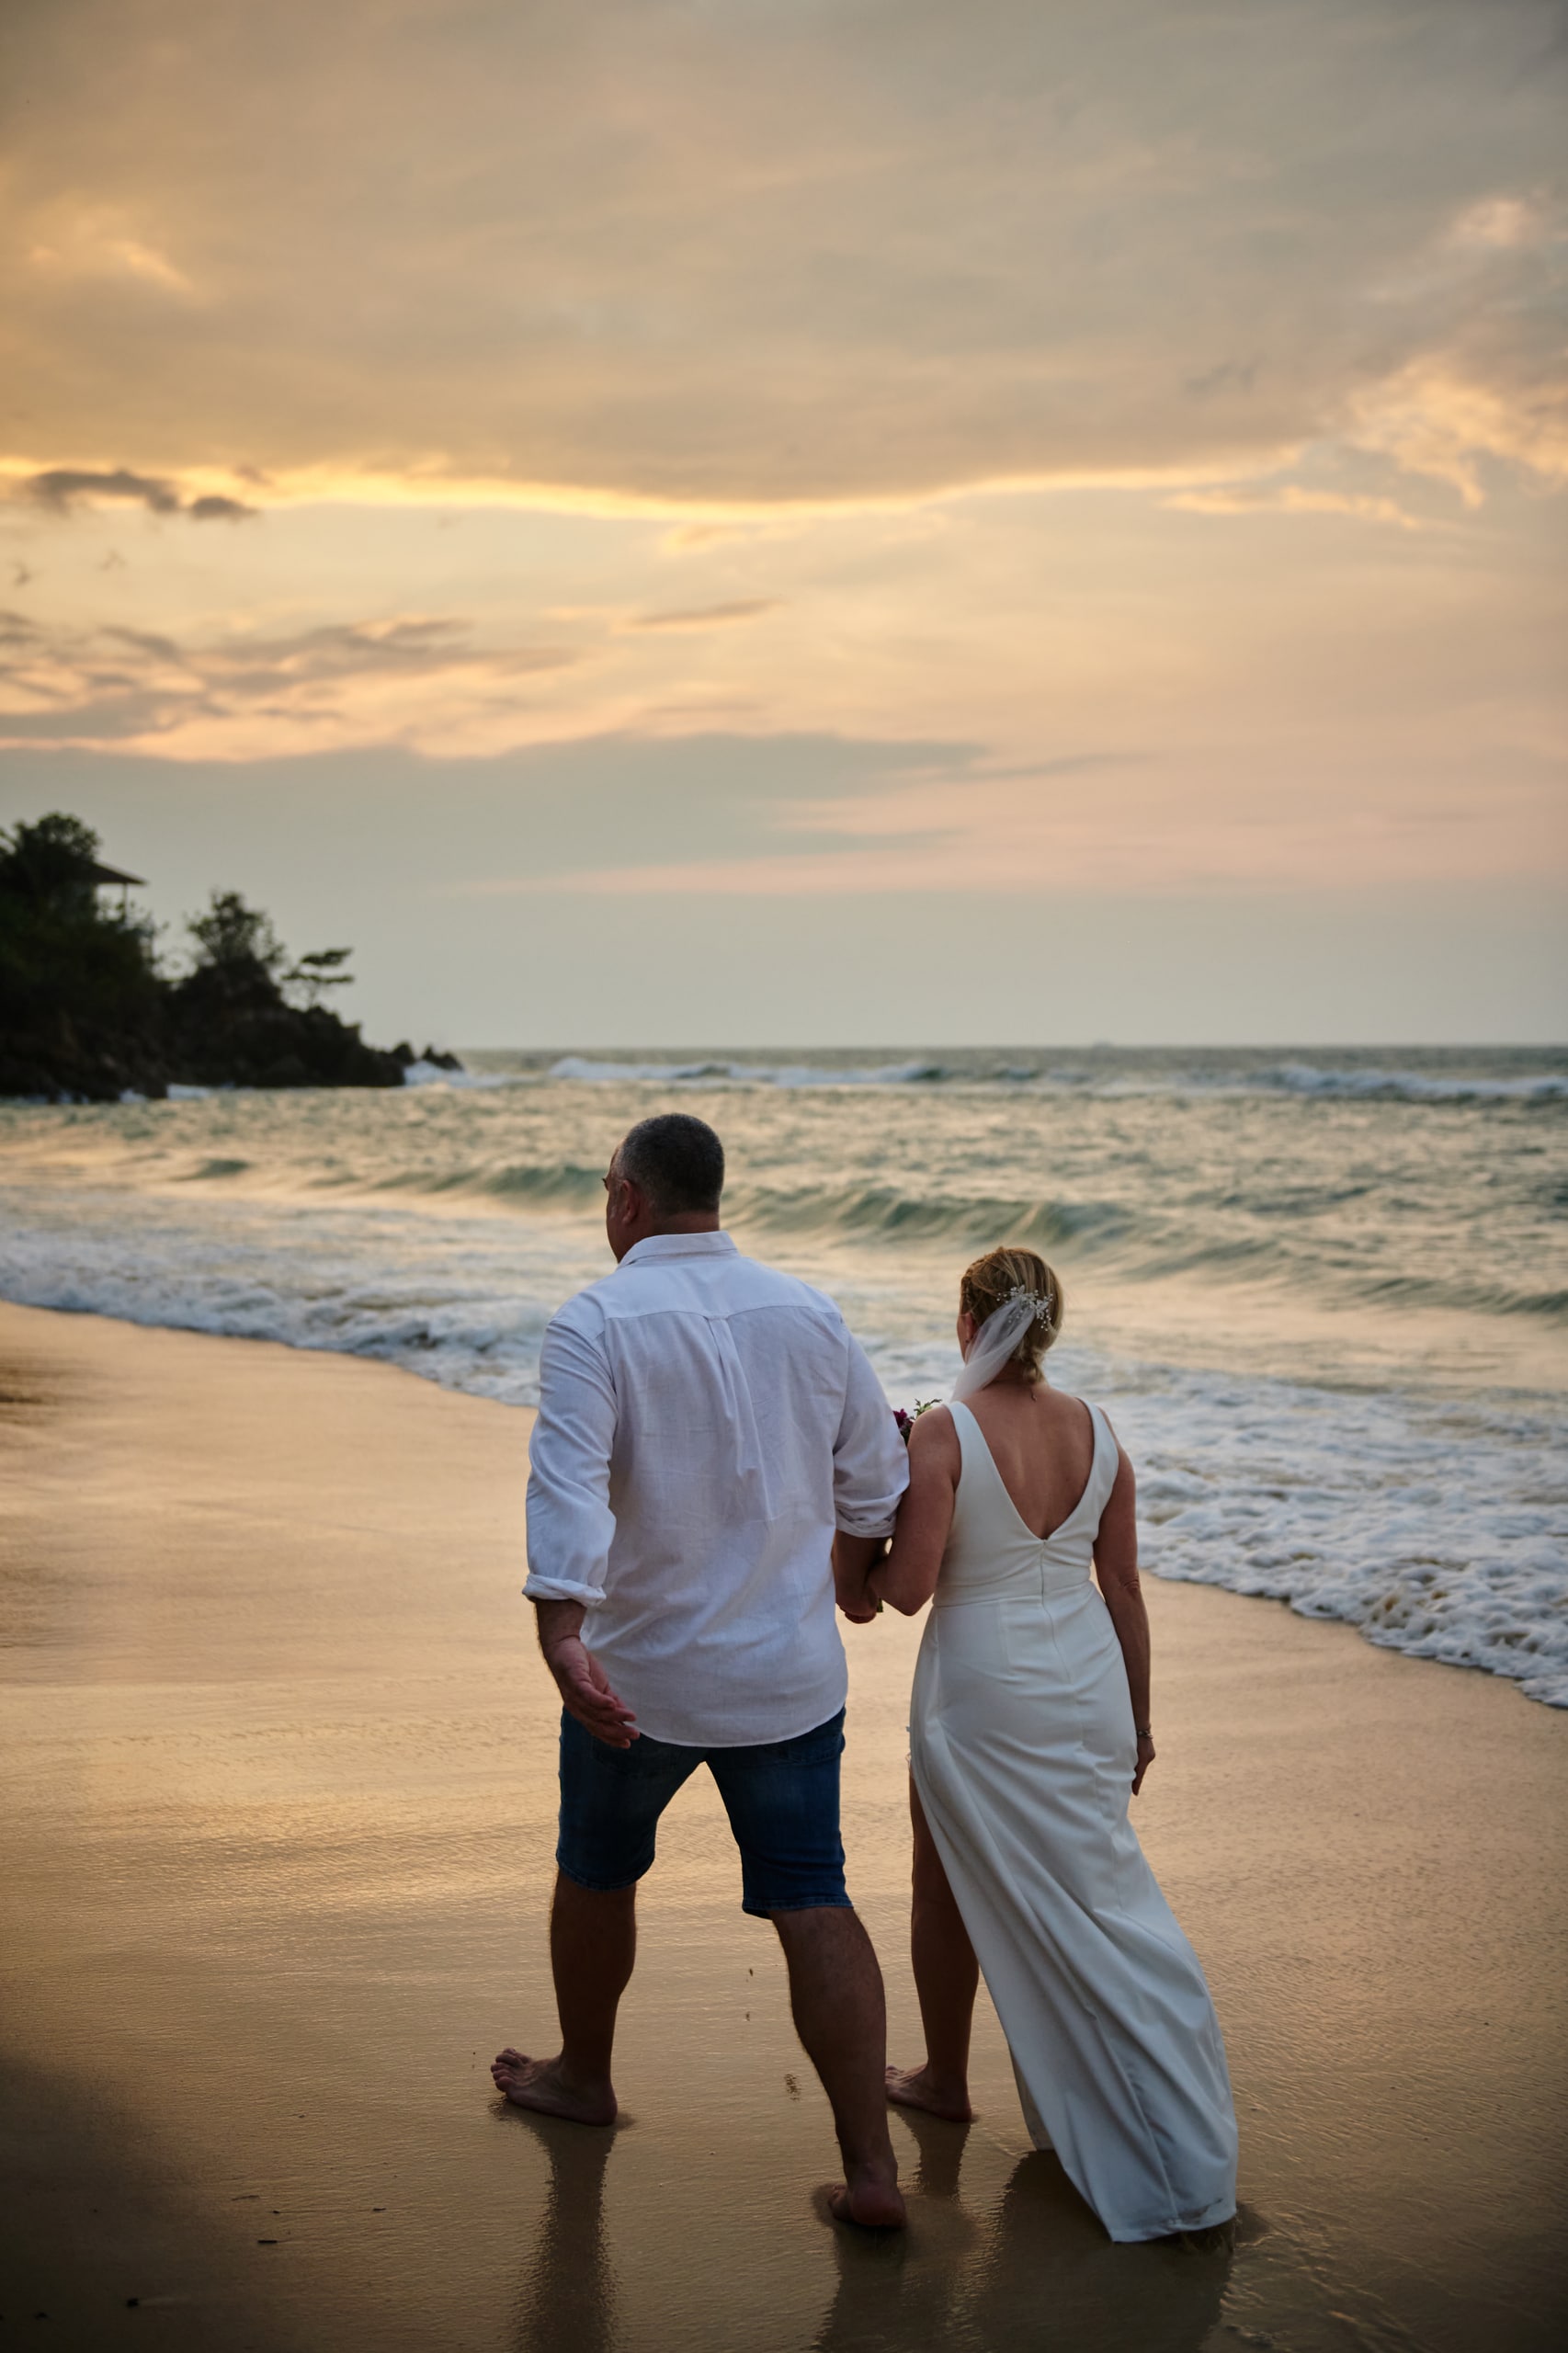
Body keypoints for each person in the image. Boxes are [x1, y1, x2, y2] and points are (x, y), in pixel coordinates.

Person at [494, 1112, 912, 2229]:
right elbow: (876, 1483)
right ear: (710, 1194)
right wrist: (842, 1570)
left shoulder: (594, 1319)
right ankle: (871, 2169)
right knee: (811, 1894)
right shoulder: (808, 1311)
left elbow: (570, 1483)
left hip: (638, 1675)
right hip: (785, 1679)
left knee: (596, 1866)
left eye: (601, 1192)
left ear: (626, 1198)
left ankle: (584, 2076)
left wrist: (560, 1629)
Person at [835, 1245, 1237, 2243]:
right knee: (1102, 1893)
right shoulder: (1099, 1431)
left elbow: (904, 1591)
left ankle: (941, 2075)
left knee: (944, 1882)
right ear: (1045, 1324)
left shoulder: (943, 1431)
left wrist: (856, 1543)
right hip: (1089, 1685)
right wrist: (1138, 1722)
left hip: (983, 1695)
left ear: (970, 1324)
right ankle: (1156, 2090)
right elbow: (1125, 1592)